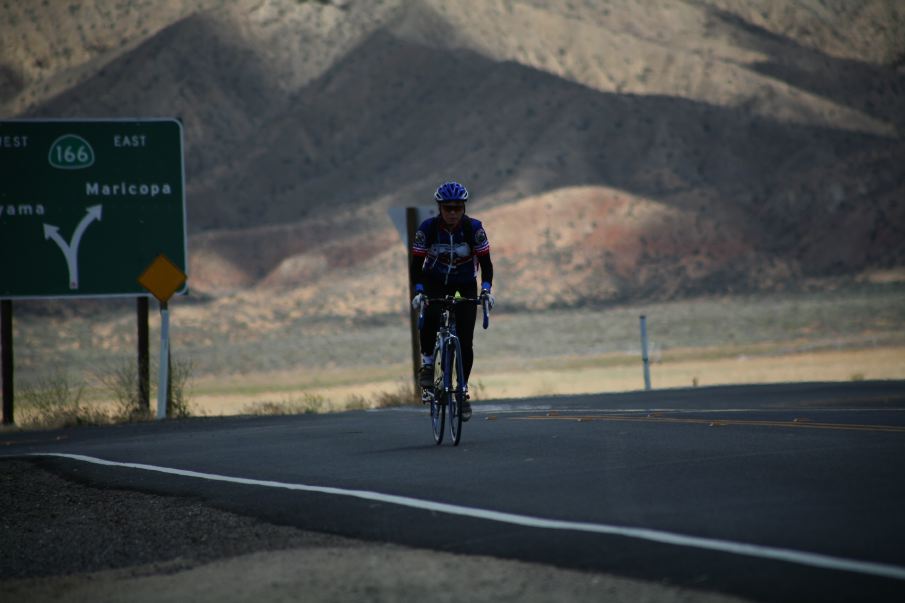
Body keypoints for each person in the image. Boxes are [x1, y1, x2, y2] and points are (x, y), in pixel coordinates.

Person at [411, 181, 494, 421]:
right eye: (448, 208)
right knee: (431, 312)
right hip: (435, 280)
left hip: (464, 284)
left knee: (466, 340)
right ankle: (427, 364)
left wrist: (486, 289)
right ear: (440, 208)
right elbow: (416, 266)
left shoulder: (474, 229)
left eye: (458, 208)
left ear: (464, 208)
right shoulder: (427, 229)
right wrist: (419, 290)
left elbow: (487, 265)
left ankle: (462, 391)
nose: (453, 213)